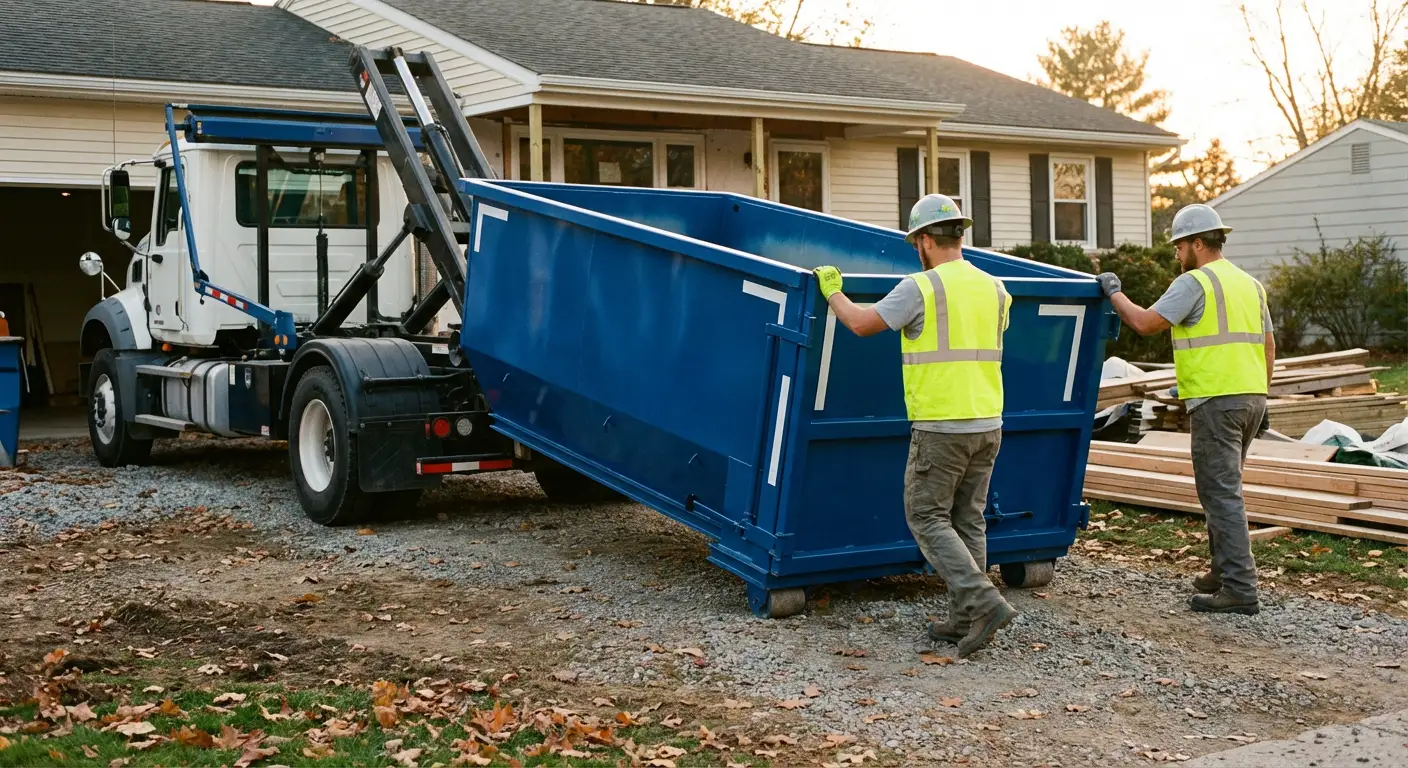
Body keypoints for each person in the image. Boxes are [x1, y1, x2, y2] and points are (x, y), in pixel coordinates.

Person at [812, 193, 1018, 658]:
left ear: (925, 240)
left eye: (915, 243)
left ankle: (985, 603)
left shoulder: (920, 287)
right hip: (988, 421)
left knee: (926, 516)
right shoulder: (995, 288)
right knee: (968, 519)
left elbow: (861, 324)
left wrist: (833, 291)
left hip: (942, 424)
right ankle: (964, 618)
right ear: (958, 235)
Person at [1097, 204, 1273, 616]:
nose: (1177, 254)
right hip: (1251, 398)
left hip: (1217, 401)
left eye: (1179, 246)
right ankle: (1223, 570)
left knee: (1221, 493)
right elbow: (1268, 345)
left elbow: (1145, 323)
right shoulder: (1250, 284)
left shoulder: (1195, 282)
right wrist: (1263, 395)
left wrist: (1113, 291)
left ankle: (1240, 588)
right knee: (1222, 488)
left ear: (1197, 243)